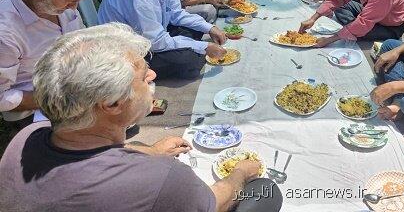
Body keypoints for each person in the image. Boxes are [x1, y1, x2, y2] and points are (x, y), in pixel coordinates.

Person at [0, 23, 282, 212]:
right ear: (111, 103)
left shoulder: (27, 137)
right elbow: (215, 201)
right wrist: (240, 174)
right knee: (267, 192)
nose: (153, 75)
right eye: (141, 74)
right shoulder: (164, 179)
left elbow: (84, 158)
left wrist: (150, 151)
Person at [98, 0, 228, 80]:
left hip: (150, 35)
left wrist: (210, 28)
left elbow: (177, 14)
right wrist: (203, 46)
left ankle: (190, 49)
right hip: (127, 51)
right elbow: (156, 42)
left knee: (194, 32)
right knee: (190, 62)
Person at [0, 0, 93, 130]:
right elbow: (2, 97)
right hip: (36, 105)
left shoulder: (57, 2)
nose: (74, 8)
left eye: (77, 1)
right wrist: (61, 99)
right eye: (70, 1)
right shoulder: (5, 32)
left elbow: (80, 41)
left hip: (74, 83)